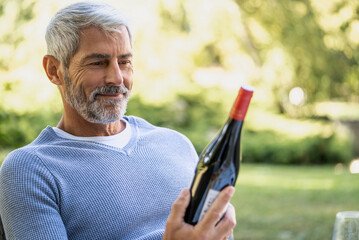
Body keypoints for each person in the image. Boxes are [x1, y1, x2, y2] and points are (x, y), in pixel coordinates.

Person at [0, 2, 236, 239]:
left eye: (124, 62)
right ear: (54, 70)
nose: (116, 77)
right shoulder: (30, 169)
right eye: (97, 62)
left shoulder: (176, 144)